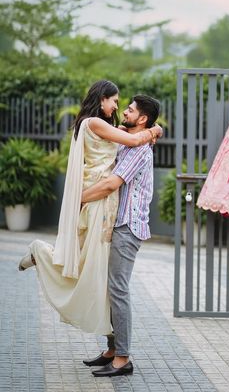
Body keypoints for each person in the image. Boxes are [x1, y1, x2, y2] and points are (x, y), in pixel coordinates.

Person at [18, 80, 162, 339]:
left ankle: (114, 345)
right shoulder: (96, 124)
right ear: (102, 99)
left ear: (142, 117)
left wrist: (149, 130)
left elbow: (129, 139)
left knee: (96, 272)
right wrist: (155, 130)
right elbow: (132, 141)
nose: (119, 107)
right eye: (116, 101)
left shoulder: (107, 129)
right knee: (91, 268)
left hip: (112, 210)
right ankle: (42, 254)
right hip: (100, 202)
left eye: (125, 106)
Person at [80, 94, 160, 377]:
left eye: (130, 109)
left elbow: (111, 184)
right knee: (111, 289)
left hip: (128, 226)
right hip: (118, 223)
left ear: (142, 118)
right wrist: (155, 130)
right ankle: (113, 350)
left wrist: (76, 200)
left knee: (118, 289)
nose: (124, 110)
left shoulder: (139, 150)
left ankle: (123, 357)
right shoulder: (131, 140)